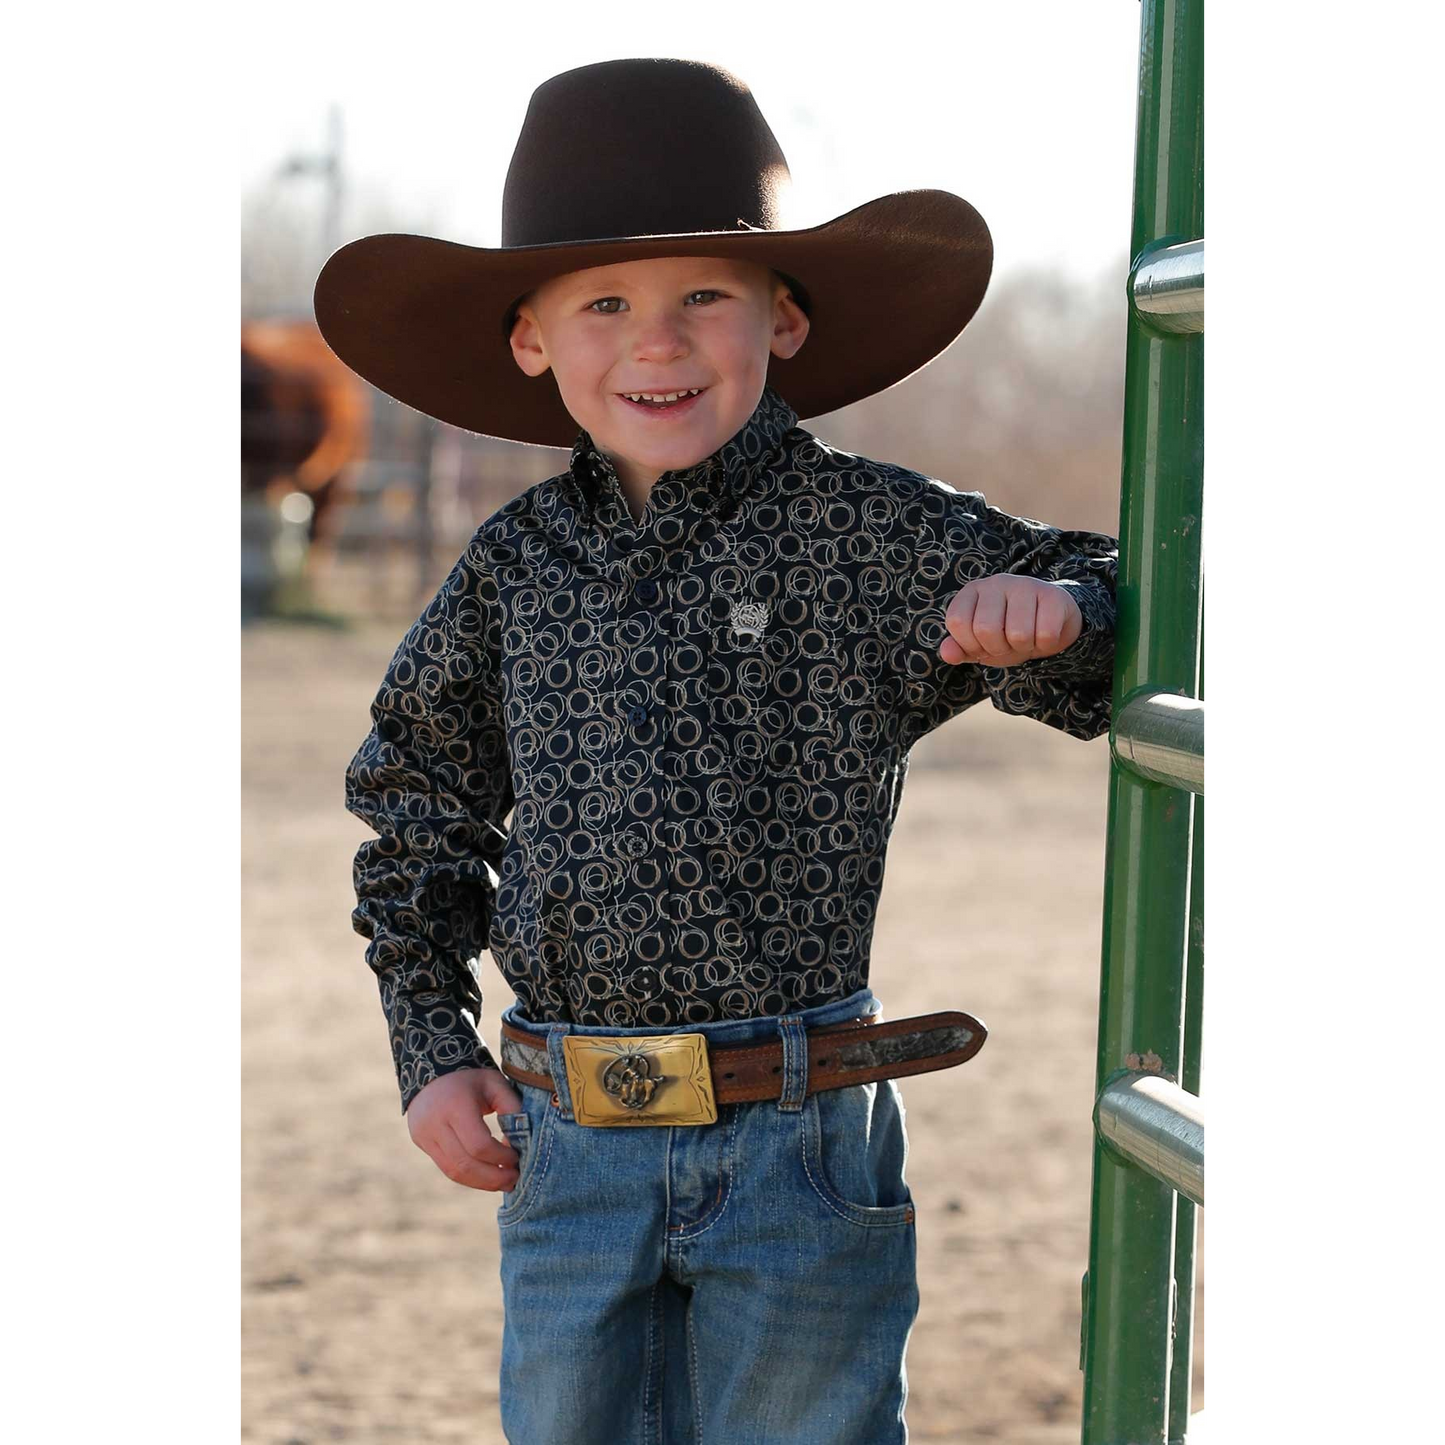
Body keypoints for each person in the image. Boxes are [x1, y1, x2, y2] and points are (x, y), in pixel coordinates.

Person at [317, 57, 1117, 1445]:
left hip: (798, 1143)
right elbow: (416, 802)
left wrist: (1060, 610)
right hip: (567, 1143)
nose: (659, 344)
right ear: (530, 339)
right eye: (606, 305)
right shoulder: (515, 569)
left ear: (784, 315)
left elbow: (1098, 586)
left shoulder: (866, 534)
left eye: (705, 296)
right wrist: (427, 1041)